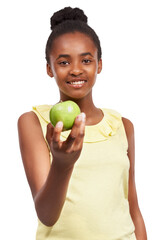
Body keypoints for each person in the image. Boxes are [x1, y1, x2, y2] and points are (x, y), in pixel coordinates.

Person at [17, 7, 147, 240]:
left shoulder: (122, 126)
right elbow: (46, 214)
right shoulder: (35, 122)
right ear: (50, 69)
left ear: (99, 64)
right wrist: (62, 164)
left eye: (86, 60)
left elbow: (133, 208)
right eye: (64, 62)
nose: (76, 69)